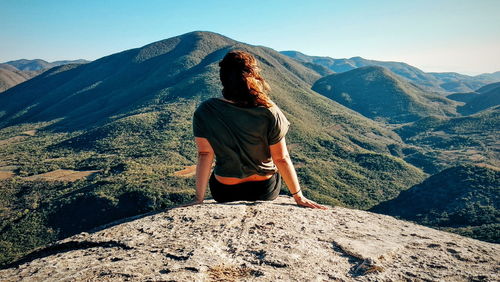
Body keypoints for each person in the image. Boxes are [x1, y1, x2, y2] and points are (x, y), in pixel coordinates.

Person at [189, 50, 327, 209]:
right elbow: (281, 158)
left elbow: (205, 154)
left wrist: (199, 198)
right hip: (264, 190)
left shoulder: (205, 110)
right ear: (254, 76)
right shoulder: (268, 110)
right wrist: (298, 196)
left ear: (222, 78)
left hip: (225, 191)